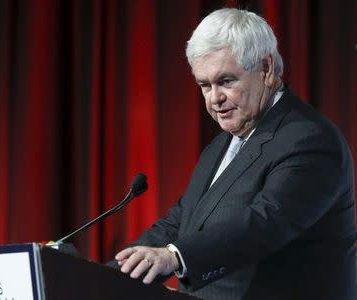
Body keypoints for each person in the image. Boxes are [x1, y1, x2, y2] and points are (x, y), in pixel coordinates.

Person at [112, 8, 357, 300]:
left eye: (226, 81)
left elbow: (264, 222)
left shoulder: (310, 140)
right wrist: (106, 272)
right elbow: (181, 222)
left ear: (265, 70)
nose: (214, 98)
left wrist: (175, 257)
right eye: (205, 85)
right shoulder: (221, 145)